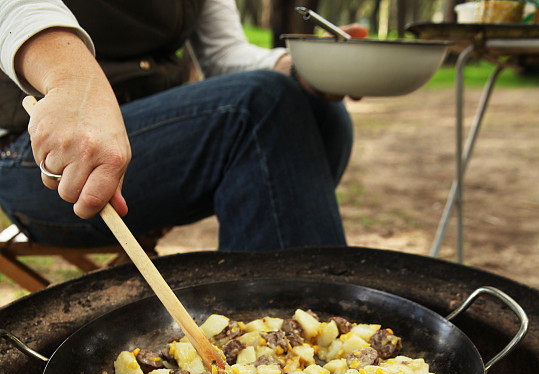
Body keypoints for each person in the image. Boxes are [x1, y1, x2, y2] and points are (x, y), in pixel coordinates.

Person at [0, 0, 365, 252]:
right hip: (43, 158)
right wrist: (72, 81)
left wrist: (305, 66)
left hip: (153, 139)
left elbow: (224, 54)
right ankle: (291, 326)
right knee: (258, 107)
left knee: (323, 114)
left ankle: (282, 329)